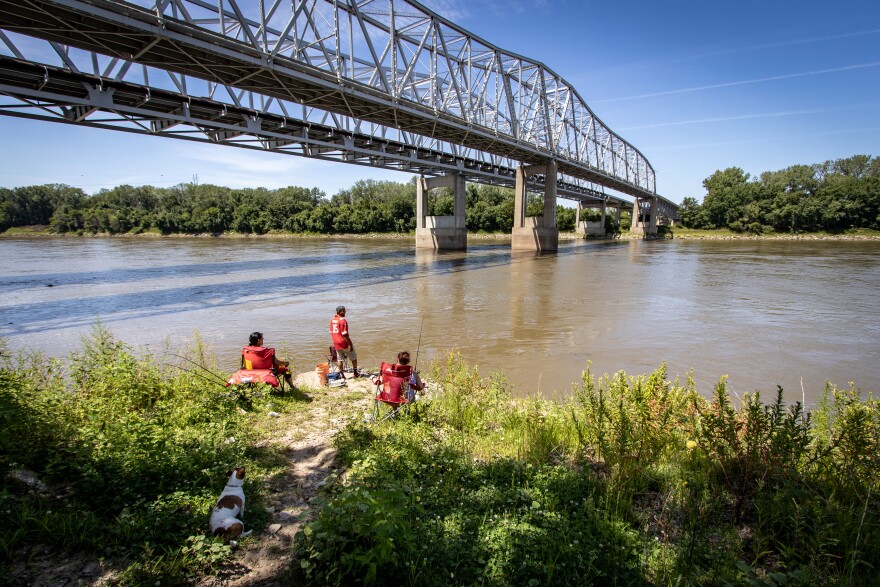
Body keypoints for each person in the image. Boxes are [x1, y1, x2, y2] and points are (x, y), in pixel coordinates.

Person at [329, 305, 361, 378]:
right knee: (354, 357)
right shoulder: (343, 320)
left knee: (340, 359)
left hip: (336, 343)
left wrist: (336, 339)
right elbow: (345, 335)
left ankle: (341, 375)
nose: (345, 312)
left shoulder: (332, 320)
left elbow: (331, 332)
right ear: (339, 312)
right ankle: (355, 373)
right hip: (344, 343)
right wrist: (349, 345)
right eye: (343, 311)